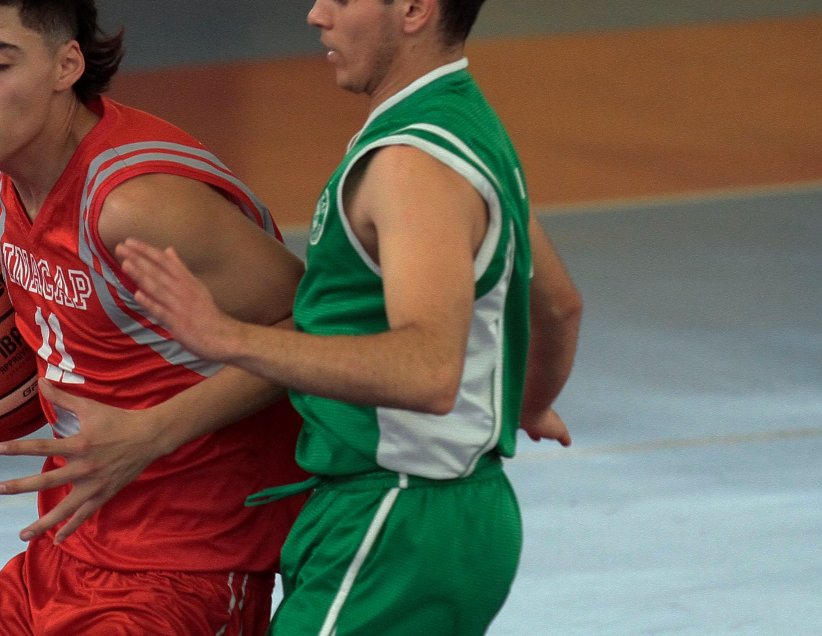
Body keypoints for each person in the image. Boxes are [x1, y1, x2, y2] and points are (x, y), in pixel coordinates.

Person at [117, 0, 584, 633]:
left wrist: (229, 337)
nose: (315, 14)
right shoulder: (467, 125)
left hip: (394, 521)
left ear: (415, 9)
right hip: (458, 515)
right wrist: (525, 404)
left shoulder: (410, 165)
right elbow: (557, 305)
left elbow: (427, 372)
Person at [0, 1, 309, 633]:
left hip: (188, 563)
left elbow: (316, 330)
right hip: (68, 544)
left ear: (66, 65)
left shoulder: (134, 206)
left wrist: (152, 432)